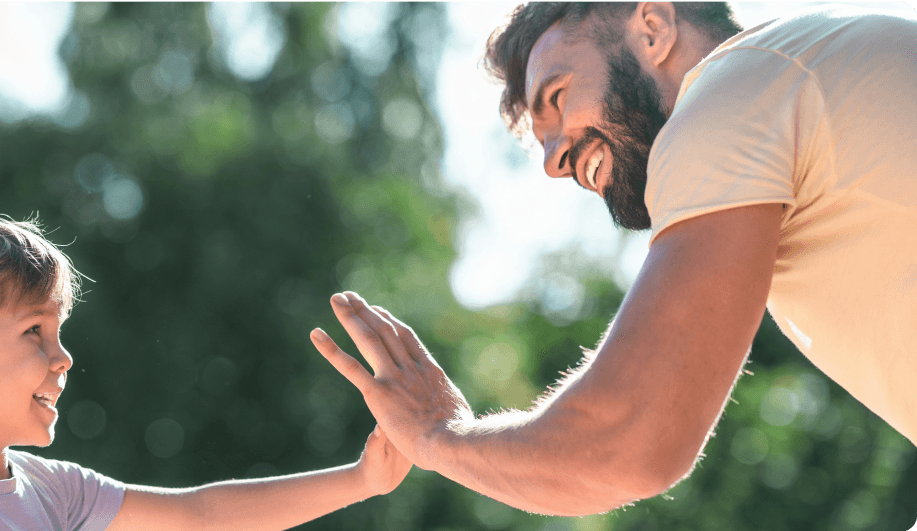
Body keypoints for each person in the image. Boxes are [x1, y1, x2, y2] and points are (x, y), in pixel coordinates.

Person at [309, 1, 917, 517]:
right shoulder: (804, 81)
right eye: (541, 142)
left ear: (652, 27)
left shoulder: (731, 92)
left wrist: (434, 435)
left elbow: (625, 439)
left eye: (557, 95)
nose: (552, 161)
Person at [0, 207, 411, 530]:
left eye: (58, 332)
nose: (64, 357)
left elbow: (200, 516)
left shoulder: (53, 491)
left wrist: (364, 480)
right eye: (33, 331)